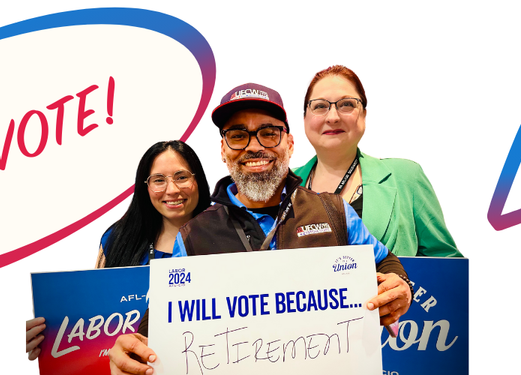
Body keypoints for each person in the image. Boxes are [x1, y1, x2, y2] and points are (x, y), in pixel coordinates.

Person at [107, 83, 414, 375]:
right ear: (224, 150)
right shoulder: (192, 236)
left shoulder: (334, 212)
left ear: (289, 144)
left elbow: (385, 263)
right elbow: (163, 317)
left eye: (268, 133)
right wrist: (132, 350)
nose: (254, 147)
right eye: (238, 136)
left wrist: (400, 286)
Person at [24, 140, 211, 361]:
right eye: (158, 180)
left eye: (182, 177)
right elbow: (96, 321)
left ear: (197, 179)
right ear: (145, 187)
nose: (172, 190)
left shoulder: (225, 236)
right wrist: (50, 337)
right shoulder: (118, 240)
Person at [293, 65, 461, 257]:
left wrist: (404, 284)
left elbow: (448, 267)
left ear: (364, 114)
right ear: (305, 118)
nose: (333, 117)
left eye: (346, 104)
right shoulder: (282, 185)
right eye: (320, 106)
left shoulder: (406, 178)